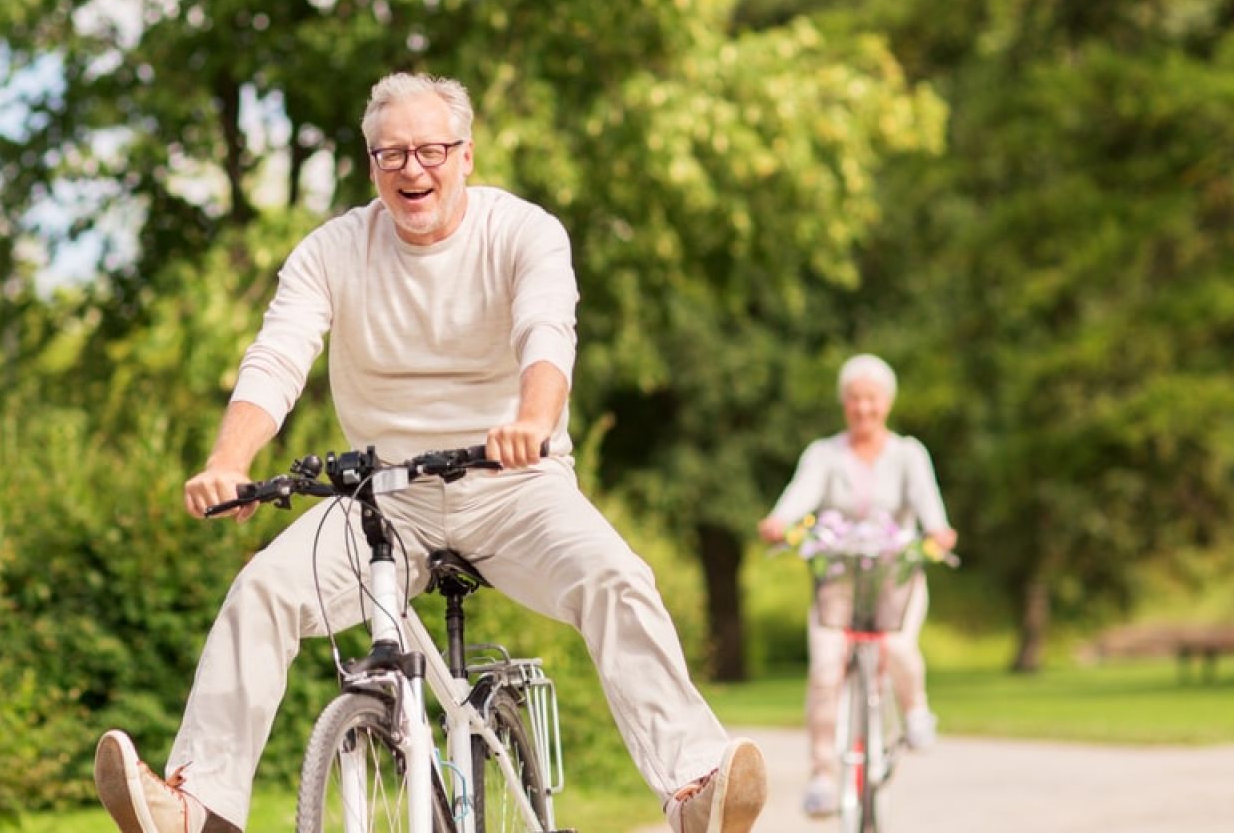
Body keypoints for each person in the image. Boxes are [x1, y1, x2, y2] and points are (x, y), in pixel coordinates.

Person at [93, 72, 768, 833]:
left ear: (466, 155)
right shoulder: (332, 251)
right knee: (262, 594)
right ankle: (200, 807)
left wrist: (532, 421)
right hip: (385, 499)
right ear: (371, 164)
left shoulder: (523, 232)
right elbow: (277, 357)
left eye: (430, 151)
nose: (413, 170)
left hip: (515, 484)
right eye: (392, 155)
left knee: (615, 578)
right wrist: (228, 461)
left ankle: (693, 788)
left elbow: (547, 333)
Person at [756, 353, 957, 819]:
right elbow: (798, 496)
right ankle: (823, 775)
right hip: (839, 580)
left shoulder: (909, 454)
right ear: (844, 404)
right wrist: (779, 522)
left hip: (895, 578)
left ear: (886, 403)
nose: (863, 408)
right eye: (854, 399)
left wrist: (938, 532)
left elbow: (931, 510)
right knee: (826, 668)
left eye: (871, 399)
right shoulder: (825, 455)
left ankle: (915, 710)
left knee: (899, 646)